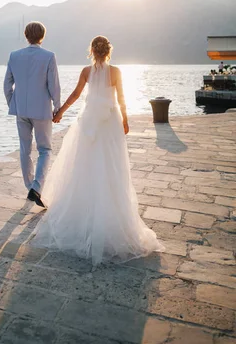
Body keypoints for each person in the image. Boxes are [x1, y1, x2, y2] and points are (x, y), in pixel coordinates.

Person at [32, 35, 164, 265]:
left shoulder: (86, 71)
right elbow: (121, 97)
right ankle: (111, 213)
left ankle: (83, 212)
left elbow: (75, 95)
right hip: (109, 121)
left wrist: (60, 111)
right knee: (112, 165)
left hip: (89, 121)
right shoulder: (116, 72)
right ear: (108, 51)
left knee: (84, 164)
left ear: (92, 51)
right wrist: (125, 119)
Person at [3, 21, 61, 208]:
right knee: (45, 149)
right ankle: (36, 187)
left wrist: (13, 103)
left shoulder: (14, 56)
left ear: (26, 35)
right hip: (42, 110)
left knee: (24, 149)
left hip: (21, 110)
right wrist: (57, 106)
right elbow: (54, 85)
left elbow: (7, 85)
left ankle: (29, 185)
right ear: (42, 36)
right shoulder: (49, 56)